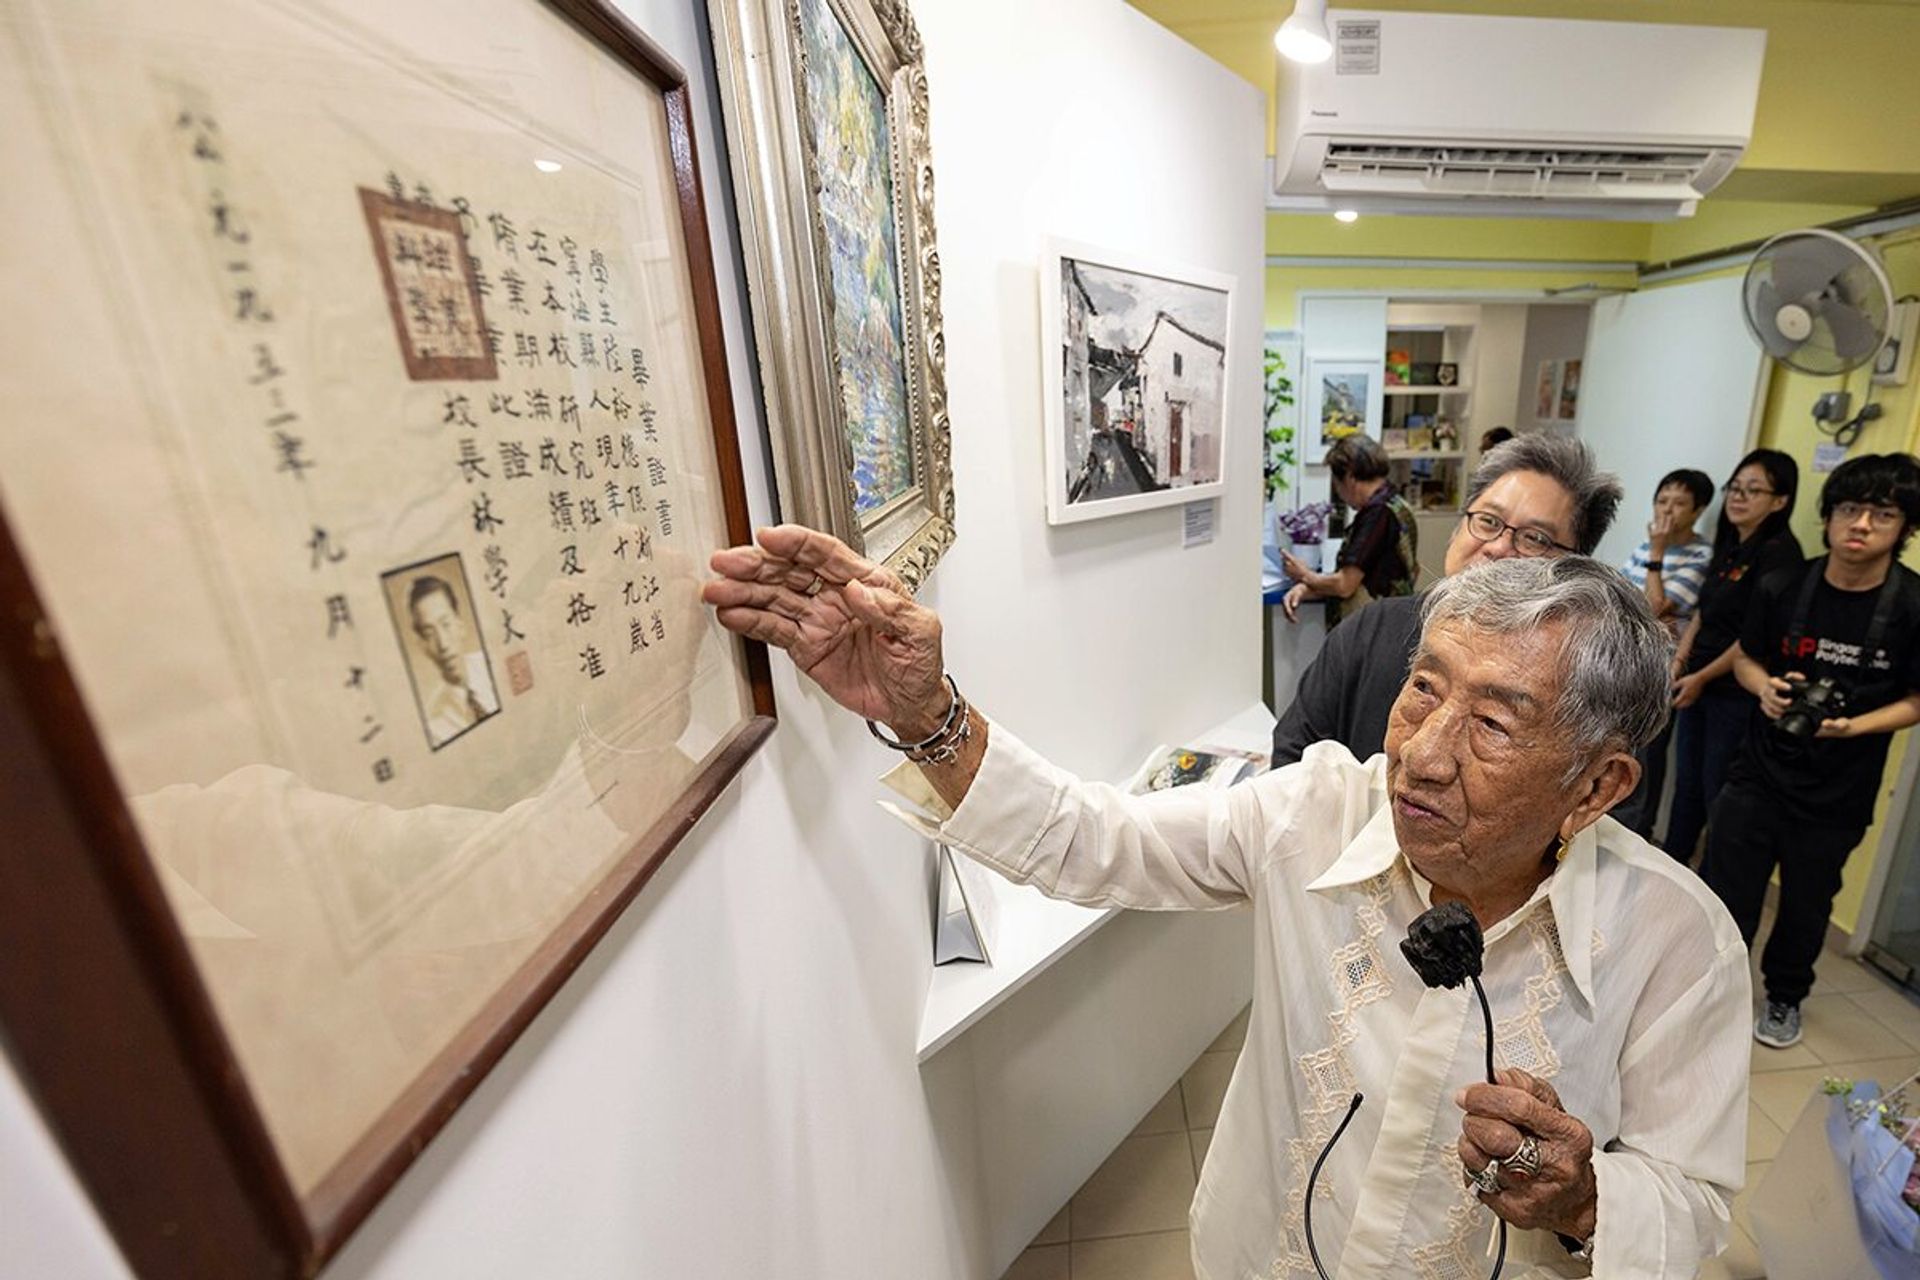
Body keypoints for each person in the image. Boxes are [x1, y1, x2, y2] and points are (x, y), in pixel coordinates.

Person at [703, 531, 1749, 1278]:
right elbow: (1089, 837)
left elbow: (1695, 1203)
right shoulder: (1313, 813)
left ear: (1600, 783)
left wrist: (1580, 1199)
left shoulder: (1676, 939)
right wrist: (927, 711)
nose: (1423, 755)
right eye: (1424, 688)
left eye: (1494, 722)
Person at [1702, 454, 1920, 1050]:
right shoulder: (1784, 584)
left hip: (1838, 790)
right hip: (1759, 772)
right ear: (1828, 517)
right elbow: (1747, 657)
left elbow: (1915, 699)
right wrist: (1764, 688)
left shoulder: (1911, 605)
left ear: (1904, 527)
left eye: (1882, 514)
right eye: (1849, 509)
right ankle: (1712, 994)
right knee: (1728, 891)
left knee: (1805, 905)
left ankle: (1784, 999)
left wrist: (1856, 726)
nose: (1861, 525)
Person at [1270, 435, 1623, 768]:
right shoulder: (1368, 631)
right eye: (1488, 521)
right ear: (1459, 527)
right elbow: (1293, 753)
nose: (1499, 547)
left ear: (1573, 567)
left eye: (1534, 538)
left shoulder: (1584, 680)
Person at [1660, 449, 1802, 863]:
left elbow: (1751, 638)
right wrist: (1681, 664)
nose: (1739, 498)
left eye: (1753, 490)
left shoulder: (1780, 555)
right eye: (1735, 488)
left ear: (1780, 501)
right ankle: (1670, 873)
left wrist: (1701, 676)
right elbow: (1704, 612)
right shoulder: (1731, 544)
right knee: (1686, 789)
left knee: (1714, 793)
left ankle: (1708, 892)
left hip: (1732, 693)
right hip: (1696, 682)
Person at [1609, 469, 1716, 836]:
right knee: (1618, 751)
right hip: (1623, 660)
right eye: (1662, 500)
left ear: (1699, 509)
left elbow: (1654, 605)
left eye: (1679, 503)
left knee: (1645, 759)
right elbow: (1618, 600)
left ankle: (1637, 837)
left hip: (1660, 669)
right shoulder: (1641, 548)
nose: (1666, 510)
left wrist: (1656, 554)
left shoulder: (1702, 555)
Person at [1280, 434, 1417, 626]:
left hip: (1372, 630)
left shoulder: (1376, 515)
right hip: (1392, 620)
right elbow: (1370, 578)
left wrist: (1304, 574)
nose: (1338, 492)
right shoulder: (1397, 504)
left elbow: (1345, 585)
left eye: (1336, 483)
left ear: (1350, 478)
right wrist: (1306, 589)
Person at [407, 574, 500, 746]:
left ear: (460, 625)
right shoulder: (434, 725)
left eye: (446, 624)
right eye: (429, 633)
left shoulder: (496, 664)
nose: (442, 643)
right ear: (423, 646)